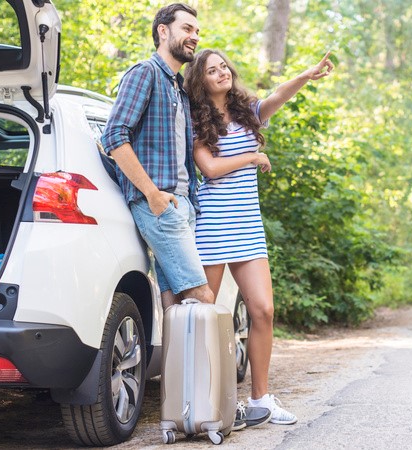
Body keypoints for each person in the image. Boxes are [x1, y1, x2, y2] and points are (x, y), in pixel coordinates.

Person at [100, 3, 269, 430]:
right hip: (163, 205)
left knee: (175, 305)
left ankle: (181, 409)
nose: (194, 35)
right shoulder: (144, 74)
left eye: (197, 29)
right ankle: (218, 406)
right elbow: (114, 137)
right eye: (187, 28)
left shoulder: (175, 86)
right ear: (163, 31)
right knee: (204, 301)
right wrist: (153, 195)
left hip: (182, 205)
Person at [183, 48, 334, 424]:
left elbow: (278, 95)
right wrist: (251, 158)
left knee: (263, 310)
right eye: (212, 70)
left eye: (223, 67)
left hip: (248, 225)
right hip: (214, 224)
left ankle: (260, 399)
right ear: (201, 81)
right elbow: (211, 169)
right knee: (205, 316)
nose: (221, 74)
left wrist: (307, 75)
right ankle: (204, 402)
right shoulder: (196, 120)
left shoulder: (246, 112)